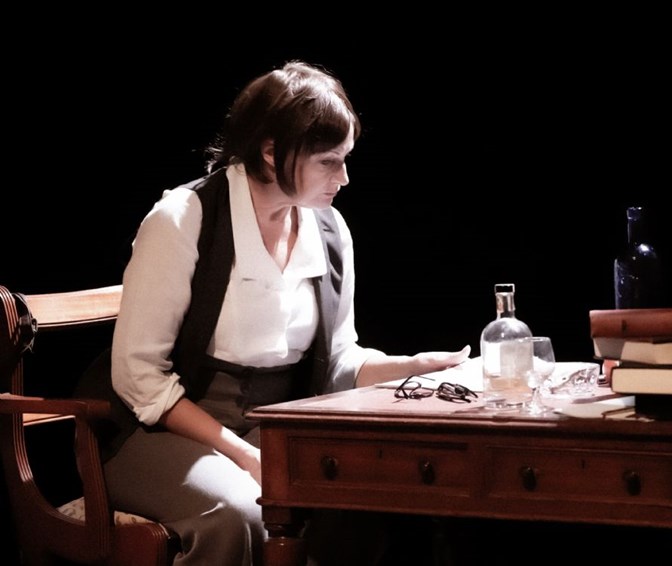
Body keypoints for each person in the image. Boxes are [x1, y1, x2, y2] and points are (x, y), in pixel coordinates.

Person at [94, 60, 470, 566]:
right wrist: (244, 455)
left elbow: (338, 360)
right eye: (329, 162)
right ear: (271, 153)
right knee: (240, 510)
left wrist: (413, 366)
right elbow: (138, 376)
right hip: (161, 433)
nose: (344, 177)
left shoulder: (329, 231)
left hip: (272, 428)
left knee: (368, 493)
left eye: (345, 159)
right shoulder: (184, 220)